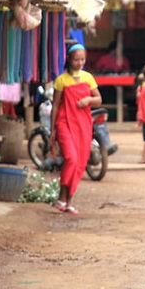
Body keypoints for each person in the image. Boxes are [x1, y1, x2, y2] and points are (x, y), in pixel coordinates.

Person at [50, 43, 102, 215]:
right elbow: (56, 106)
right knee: (71, 158)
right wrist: (52, 131)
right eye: (76, 59)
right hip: (64, 123)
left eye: (82, 59)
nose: (79, 63)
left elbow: (98, 99)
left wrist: (88, 100)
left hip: (83, 125)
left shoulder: (88, 78)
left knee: (80, 162)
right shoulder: (61, 80)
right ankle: (61, 197)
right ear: (69, 60)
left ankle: (68, 200)